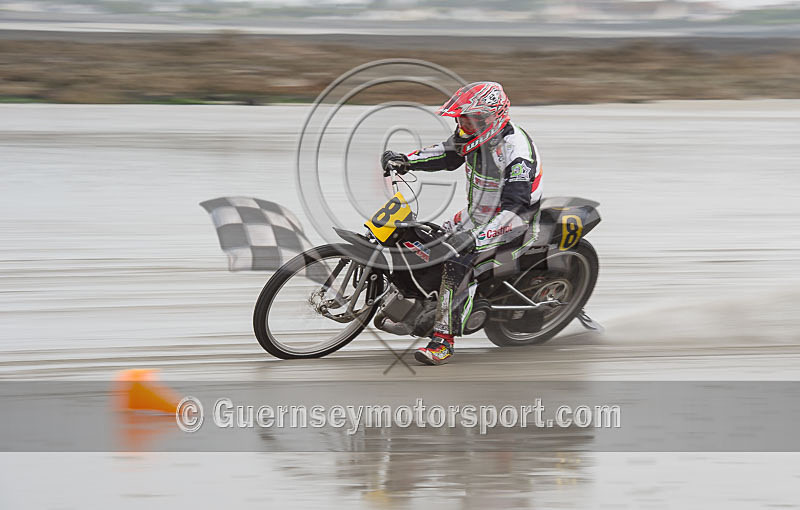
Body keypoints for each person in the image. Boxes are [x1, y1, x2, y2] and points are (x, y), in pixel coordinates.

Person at [381, 81, 543, 366]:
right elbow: (448, 154)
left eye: (470, 119)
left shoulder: (516, 150)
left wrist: (476, 239)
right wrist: (405, 160)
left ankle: (443, 341)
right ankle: (415, 304)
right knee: (423, 241)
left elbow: (516, 205)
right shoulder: (473, 135)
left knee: (458, 260)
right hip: (477, 214)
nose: (463, 124)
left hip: (515, 222)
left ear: (492, 117)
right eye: (461, 118)